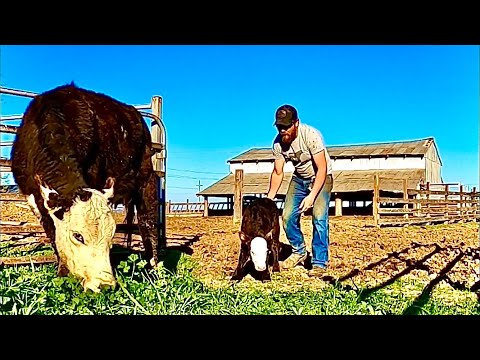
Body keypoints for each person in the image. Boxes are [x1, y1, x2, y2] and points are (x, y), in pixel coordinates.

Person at [266, 104, 333, 277]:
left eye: (286, 126)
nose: (283, 131)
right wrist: (269, 199)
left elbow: (322, 168)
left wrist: (311, 196)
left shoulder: (311, 135)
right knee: (287, 216)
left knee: (318, 218)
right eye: (280, 127)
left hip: (321, 177)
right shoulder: (278, 144)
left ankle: (319, 262)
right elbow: (278, 172)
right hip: (299, 179)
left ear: (296, 123)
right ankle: (299, 251)